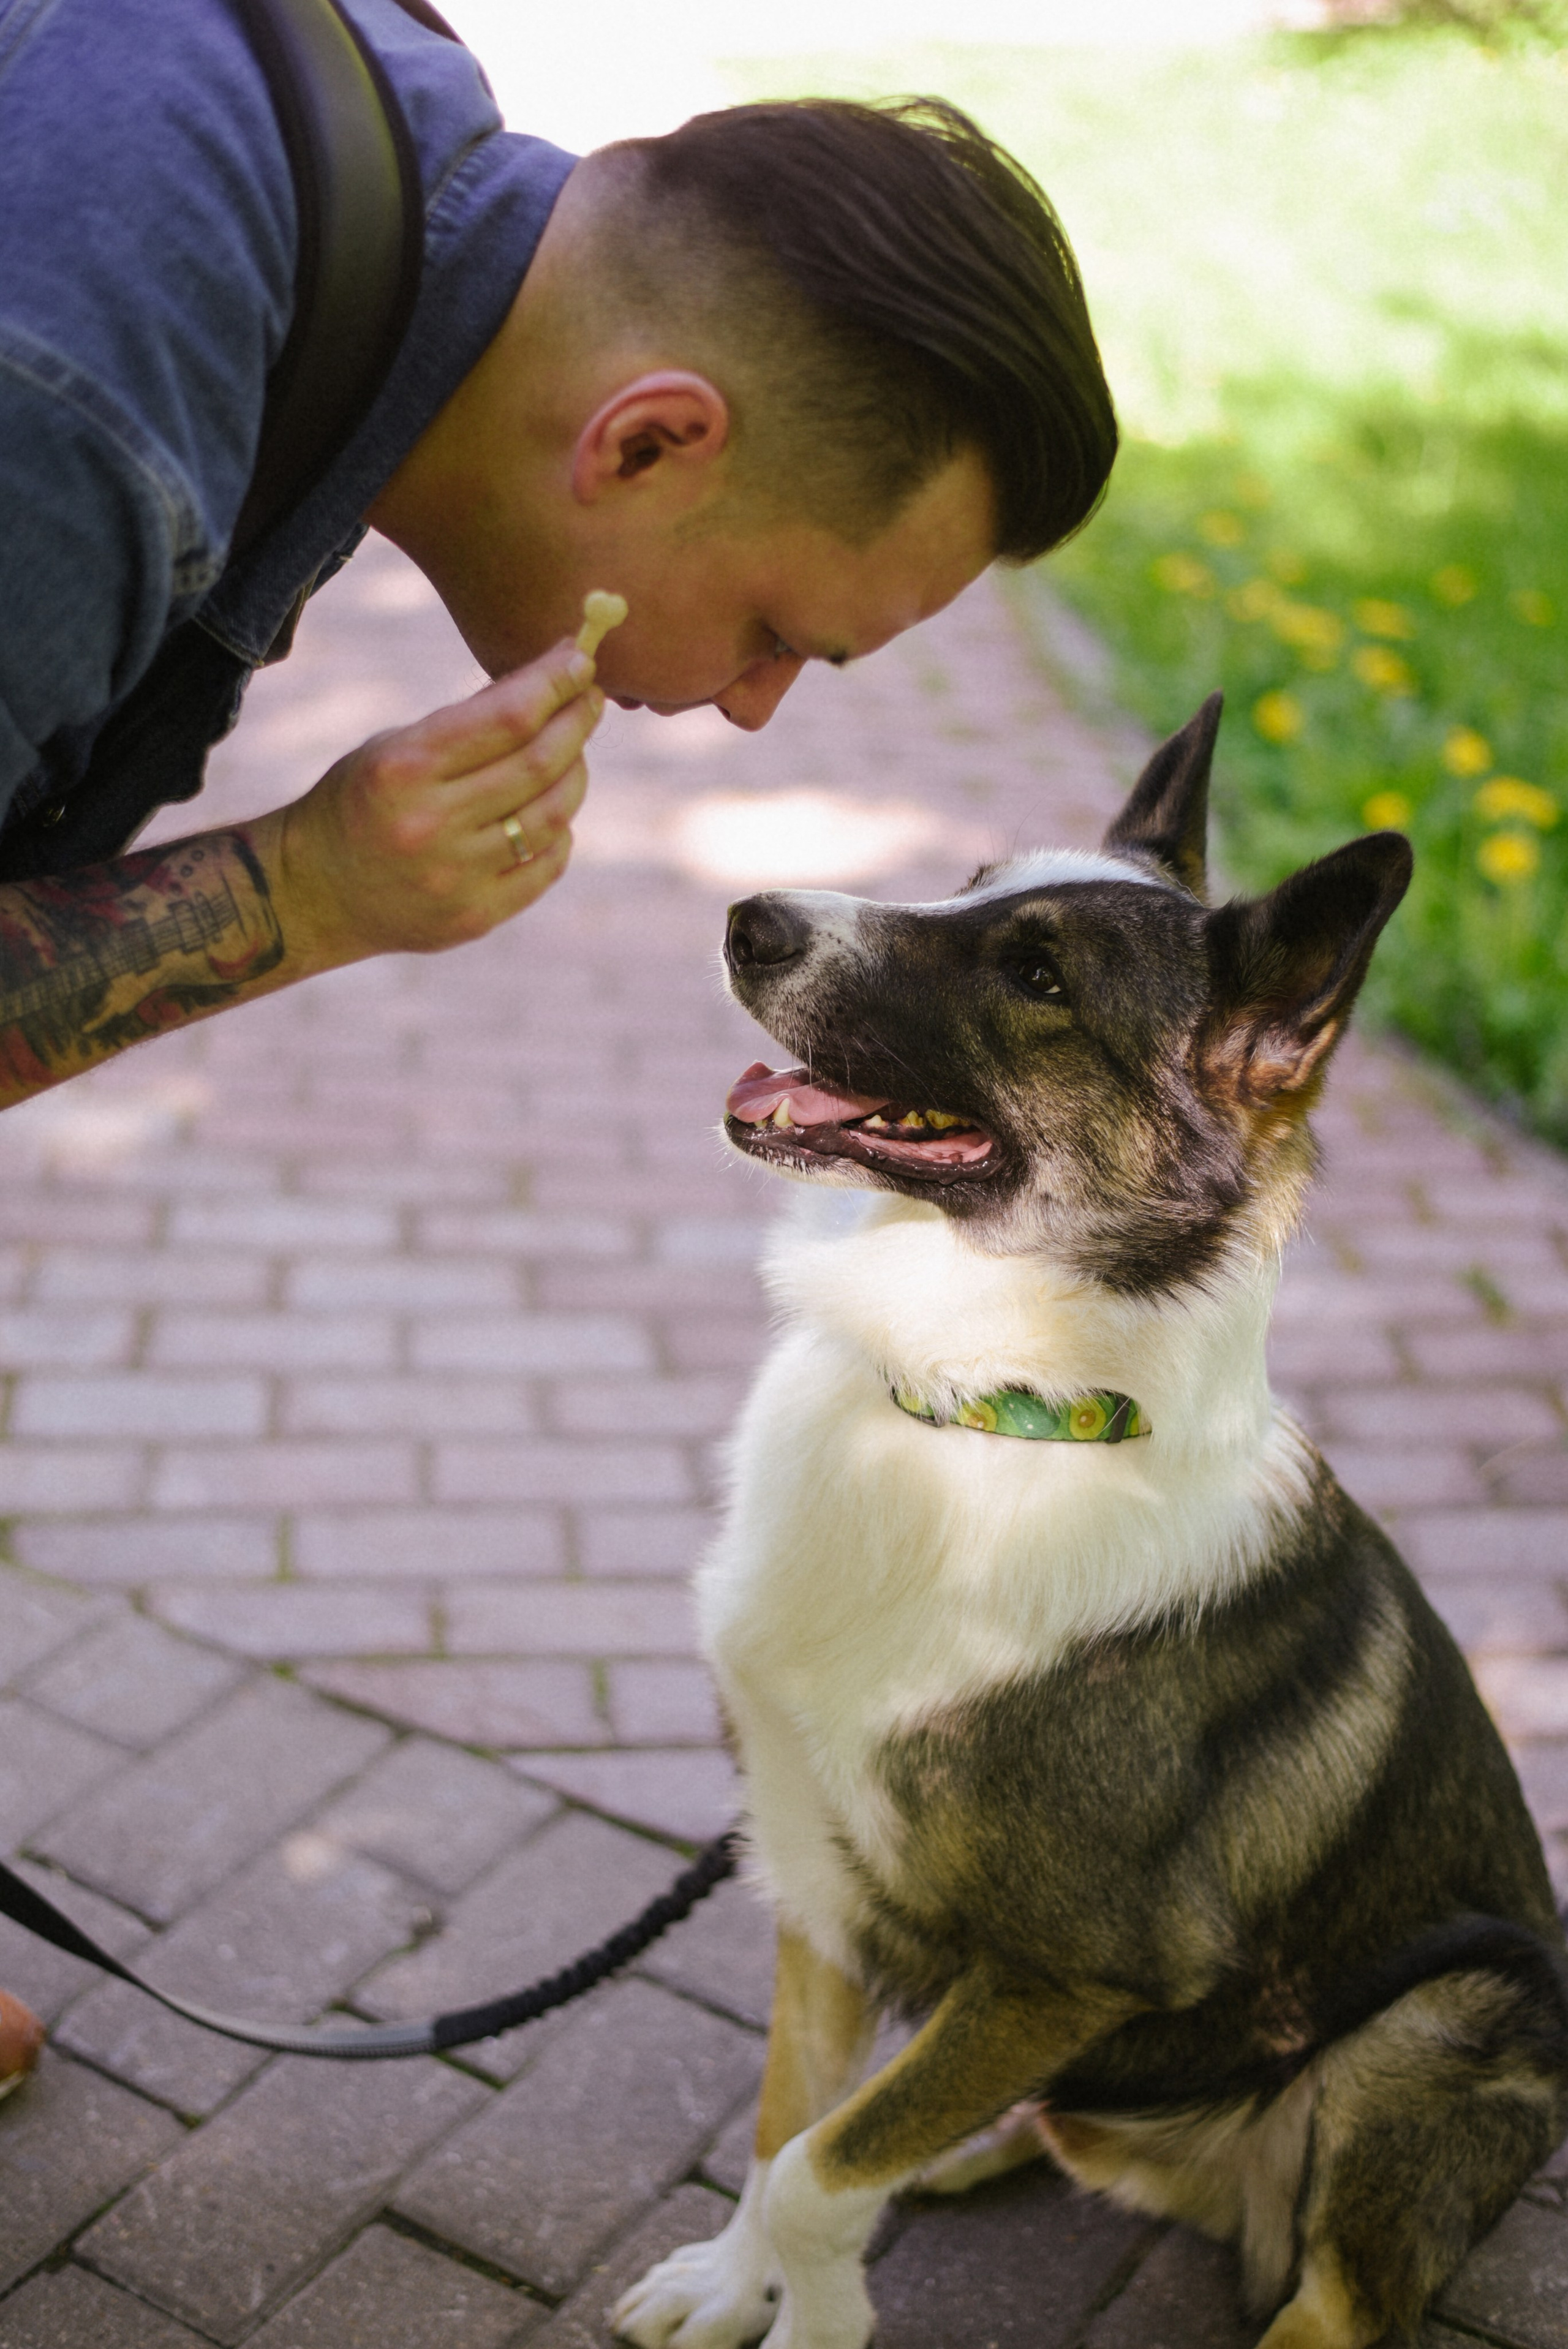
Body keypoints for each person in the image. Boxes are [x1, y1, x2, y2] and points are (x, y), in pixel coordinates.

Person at [0, 0, 1117, 2085]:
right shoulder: (73, 401)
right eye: (784, 629)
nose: (763, 704)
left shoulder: (388, 179)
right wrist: (295, 899)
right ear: (651, 442)